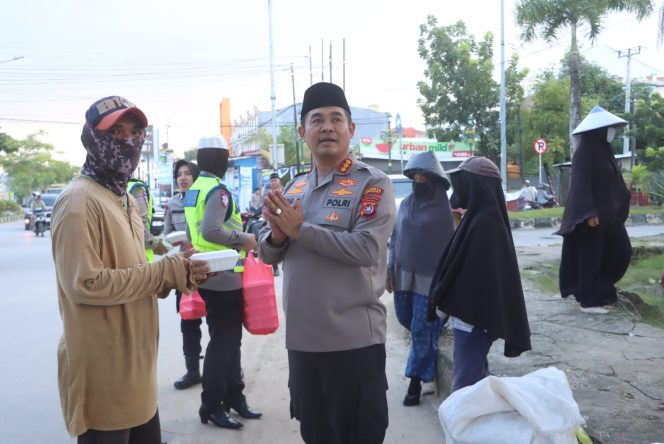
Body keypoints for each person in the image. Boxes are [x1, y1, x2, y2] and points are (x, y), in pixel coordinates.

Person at [51, 95, 209, 443]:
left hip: (137, 371)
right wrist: (164, 271)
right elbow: (85, 283)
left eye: (135, 132)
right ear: (90, 139)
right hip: (103, 375)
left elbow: (132, 274)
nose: (128, 141)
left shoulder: (124, 199)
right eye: (115, 132)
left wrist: (179, 272)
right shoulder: (78, 202)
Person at [259, 82, 396, 444]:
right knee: (315, 434)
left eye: (337, 119)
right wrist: (276, 235)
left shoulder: (372, 183)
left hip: (353, 345)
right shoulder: (294, 188)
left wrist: (300, 230)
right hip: (303, 345)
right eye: (317, 120)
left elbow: (367, 249)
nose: (327, 127)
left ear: (351, 129)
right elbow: (270, 253)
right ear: (303, 132)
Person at [428, 156, 531, 392]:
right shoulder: (478, 218)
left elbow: (474, 279)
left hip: (474, 320)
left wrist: (446, 299)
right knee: (476, 377)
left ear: (475, 186)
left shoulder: (485, 224)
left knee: (465, 384)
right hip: (471, 318)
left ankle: (463, 426)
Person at [183, 135, 261, 430]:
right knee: (223, 344)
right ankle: (212, 405)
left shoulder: (195, 189)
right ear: (220, 160)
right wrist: (246, 240)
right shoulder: (217, 190)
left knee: (229, 342)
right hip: (223, 274)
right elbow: (212, 230)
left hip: (207, 273)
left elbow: (194, 232)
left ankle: (234, 398)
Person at [386, 150, 454, 406]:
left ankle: (414, 383)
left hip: (430, 281)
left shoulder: (442, 212)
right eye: (414, 176)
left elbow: (447, 252)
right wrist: (389, 269)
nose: (417, 181)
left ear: (433, 180)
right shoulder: (405, 205)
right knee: (410, 322)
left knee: (420, 328)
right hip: (404, 276)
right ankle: (429, 347)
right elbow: (395, 239)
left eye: (422, 177)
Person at [556, 106, 632, 309]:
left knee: (621, 252)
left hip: (609, 220)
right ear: (599, 130)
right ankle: (589, 301)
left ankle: (602, 290)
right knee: (590, 260)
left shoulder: (605, 151)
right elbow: (581, 183)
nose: (612, 132)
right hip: (591, 219)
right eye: (610, 128)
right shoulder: (584, 151)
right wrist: (589, 212)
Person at [164, 159, 204, 390]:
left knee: (219, 322)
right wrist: (175, 240)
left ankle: (229, 368)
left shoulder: (206, 199)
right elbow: (168, 233)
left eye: (188, 173)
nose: (183, 178)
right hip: (185, 270)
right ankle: (192, 371)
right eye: (179, 174)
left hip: (209, 267)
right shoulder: (172, 203)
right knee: (188, 321)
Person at [128, 176, 169, 262]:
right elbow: (141, 226)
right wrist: (155, 245)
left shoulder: (101, 187)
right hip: (140, 257)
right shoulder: (136, 188)